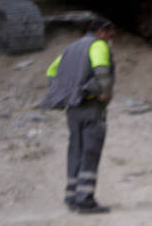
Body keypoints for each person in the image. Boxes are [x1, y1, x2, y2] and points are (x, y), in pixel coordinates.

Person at [41, 16, 116, 213]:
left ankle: (71, 197)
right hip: (91, 105)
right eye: (109, 34)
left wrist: (66, 91)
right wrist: (105, 94)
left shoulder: (71, 48)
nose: (110, 39)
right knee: (90, 151)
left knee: (76, 150)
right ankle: (85, 200)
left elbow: (51, 72)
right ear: (101, 31)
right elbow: (101, 70)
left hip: (73, 108)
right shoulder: (97, 45)